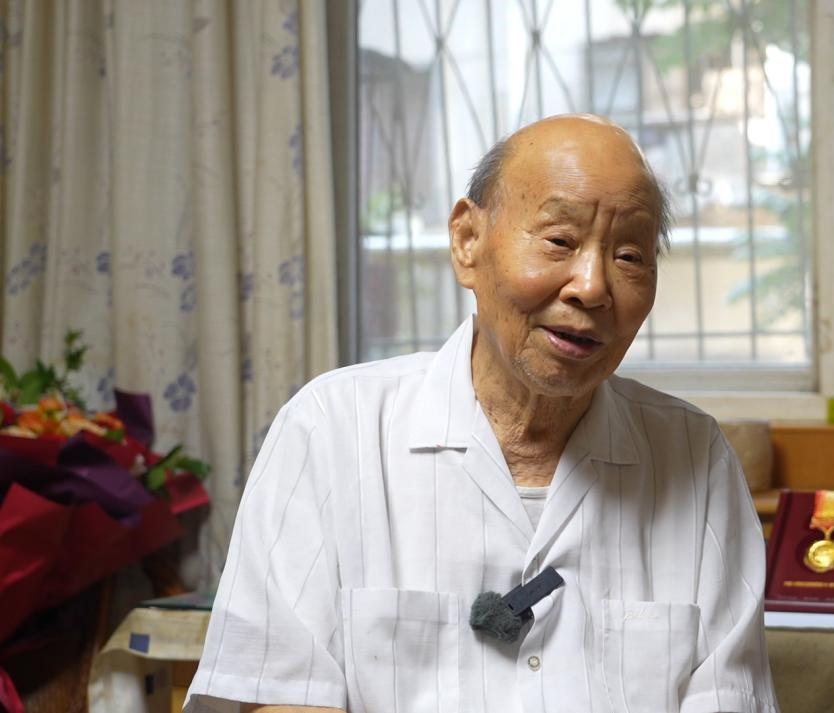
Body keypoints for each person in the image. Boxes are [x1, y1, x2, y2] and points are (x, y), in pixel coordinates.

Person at [185, 114, 778, 713]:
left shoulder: (694, 456)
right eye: (559, 241)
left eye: (629, 255)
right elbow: (279, 695)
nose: (592, 286)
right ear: (468, 240)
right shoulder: (332, 430)